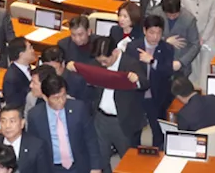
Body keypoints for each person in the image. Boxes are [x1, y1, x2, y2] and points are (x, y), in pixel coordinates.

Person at [89, 36, 146, 172]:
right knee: (101, 158)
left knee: (128, 160)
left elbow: (145, 83)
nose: (102, 64)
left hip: (123, 121)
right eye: (99, 61)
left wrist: (137, 80)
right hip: (100, 118)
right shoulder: (97, 63)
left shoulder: (130, 63)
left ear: (115, 52)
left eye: (105, 61)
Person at [26, 73, 101, 173]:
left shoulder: (79, 108)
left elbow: (91, 139)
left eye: (63, 96)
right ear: (45, 97)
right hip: (51, 168)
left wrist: (96, 167)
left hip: (79, 165)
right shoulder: (35, 116)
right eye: (56, 98)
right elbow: (34, 147)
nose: (61, 101)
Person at [129, 14, 175, 147]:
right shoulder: (133, 47)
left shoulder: (167, 48)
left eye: (158, 33)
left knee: (158, 131)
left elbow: (168, 71)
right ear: (144, 31)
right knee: (134, 131)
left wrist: (152, 61)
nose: (155, 37)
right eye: (151, 32)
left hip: (157, 96)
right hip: (136, 96)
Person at [178, 0, 215, 85]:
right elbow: (182, 14)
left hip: (207, 34)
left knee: (205, 66)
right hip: (190, 34)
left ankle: (205, 89)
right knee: (192, 65)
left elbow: (213, 17)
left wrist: (204, 37)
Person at [0, 105, 46, 173]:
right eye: (3, 121)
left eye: (12, 121)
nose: (7, 126)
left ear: (22, 123)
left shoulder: (36, 146)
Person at [160, 0, 199, 77]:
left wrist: (181, 62)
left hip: (180, 67)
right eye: (168, 15)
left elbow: (195, 45)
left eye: (174, 15)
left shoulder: (189, 19)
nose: (171, 18)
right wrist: (165, 41)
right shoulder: (157, 14)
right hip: (159, 62)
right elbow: (148, 35)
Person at [3, 36, 37, 109]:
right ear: (21, 54)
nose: (33, 50)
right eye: (30, 48)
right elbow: (14, 105)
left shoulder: (29, 69)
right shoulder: (12, 78)